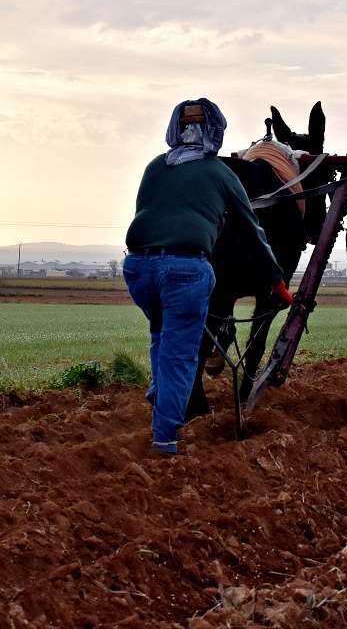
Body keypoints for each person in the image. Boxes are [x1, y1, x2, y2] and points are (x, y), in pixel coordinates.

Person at [124, 98, 292, 456]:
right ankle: (165, 439)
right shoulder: (219, 172)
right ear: (215, 132)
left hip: (137, 269)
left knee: (161, 335)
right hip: (184, 270)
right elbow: (251, 230)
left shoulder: (154, 167)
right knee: (180, 355)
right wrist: (275, 278)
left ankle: (160, 390)